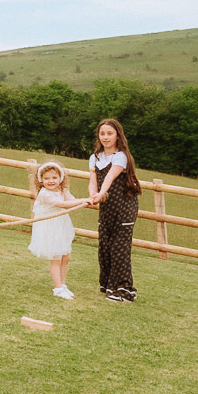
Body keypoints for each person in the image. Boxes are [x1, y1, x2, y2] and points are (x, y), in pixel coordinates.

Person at [88, 118, 143, 302]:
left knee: (119, 248)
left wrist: (101, 193)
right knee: (105, 246)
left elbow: (110, 177)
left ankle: (124, 290)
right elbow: (93, 181)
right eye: (102, 133)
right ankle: (108, 285)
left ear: (118, 135)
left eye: (109, 133)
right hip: (107, 208)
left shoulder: (121, 157)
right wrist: (93, 195)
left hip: (124, 207)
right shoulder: (94, 158)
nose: (105, 137)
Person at [28, 161, 92, 299]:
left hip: (62, 226)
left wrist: (87, 201)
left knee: (66, 257)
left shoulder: (62, 190)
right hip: (50, 228)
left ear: (60, 178)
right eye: (46, 178)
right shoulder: (44, 194)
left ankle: (63, 285)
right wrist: (84, 200)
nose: (51, 181)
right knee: (56, 258)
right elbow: (62, 204)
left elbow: (71, 200)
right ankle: (57, 289)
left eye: (54, 178)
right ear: (41, 180)